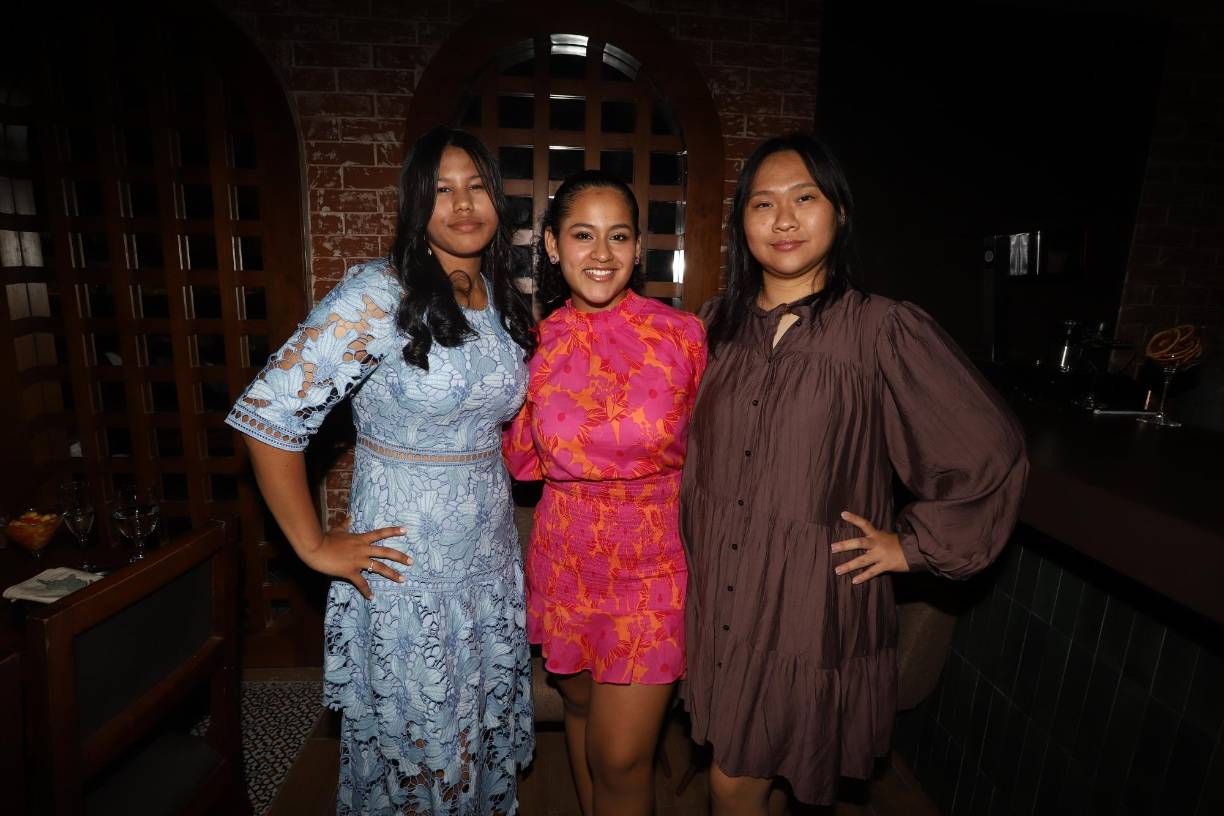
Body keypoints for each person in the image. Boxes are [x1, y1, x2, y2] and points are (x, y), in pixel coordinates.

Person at [680, 133, 1028, 814]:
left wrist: (912, 545)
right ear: (741, 223)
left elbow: (990, 448)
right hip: (719, 585)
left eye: (804, 198)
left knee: (734, 780)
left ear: (838, 212)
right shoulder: (713, 326)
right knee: (759, 767)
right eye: (763, 203)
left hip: (806, 600)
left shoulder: (881, 329)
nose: (783, 219)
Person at [226, 126, 537, 815]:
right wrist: (312, 545)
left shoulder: (493, 293)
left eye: (476, 187)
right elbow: (268, 415)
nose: (463, 205)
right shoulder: (378, 292)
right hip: (408, 571)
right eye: (441, 190)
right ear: (415, 204)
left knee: (473, 750)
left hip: (486, 565)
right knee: (425, 760)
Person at [503, 171, 706, 816]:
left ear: (638, 246)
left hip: (654, 565)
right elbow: (520, 462)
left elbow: (724, 452)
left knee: (620, 757)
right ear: (552, 245)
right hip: (565, 559)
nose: (601, 253)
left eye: (618, 236)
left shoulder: (683, 336)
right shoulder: (530, 348)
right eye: (582, 235)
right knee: (582, 714)